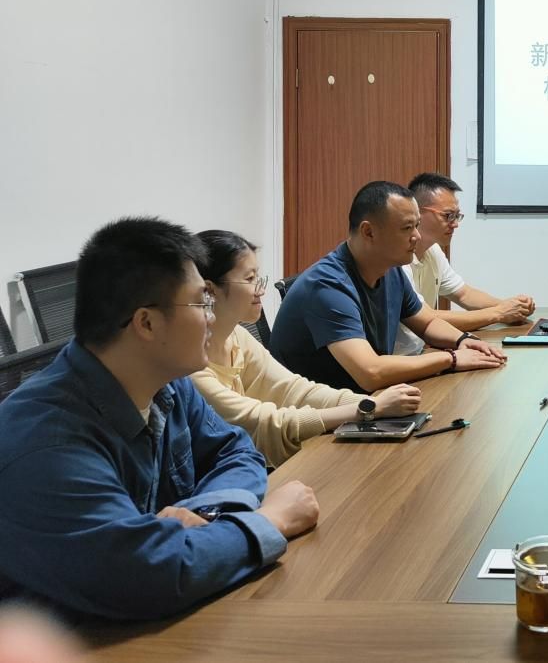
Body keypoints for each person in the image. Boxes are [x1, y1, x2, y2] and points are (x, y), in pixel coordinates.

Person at [0, 217, 319, 620]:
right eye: (201, 302)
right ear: (146, 323)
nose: (211, 316)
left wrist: (206, 512)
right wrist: (270, 521)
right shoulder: (49, 442)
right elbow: (143, 574)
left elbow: (236, 451)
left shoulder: (167, 383)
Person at [191, 230, 422, 466]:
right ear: (210, 291)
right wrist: (369, 408)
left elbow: (295, 390)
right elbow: (263, 422)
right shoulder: (189, 366)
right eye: (250, 279)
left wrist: (372, 403)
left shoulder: (237, 336)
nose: (260, 289)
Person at [270, 181, 507, 392]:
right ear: (368, 232)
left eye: (417, 225)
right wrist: (452, 359)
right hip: (316, 416)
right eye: (407, 228)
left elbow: (427, 323)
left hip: (361, 401)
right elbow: (370, 373)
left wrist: (463, 340)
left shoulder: (391, 270)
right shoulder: (327, 286)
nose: (416, 236)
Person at [391, 173, 536, 356]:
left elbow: (464, 294)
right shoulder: (396, 260)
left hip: (423, 350)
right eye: (448, 216)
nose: (455, 224)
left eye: (457, 216)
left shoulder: (433, 251)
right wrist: (499, 313)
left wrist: (512, 307)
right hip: (401, 357)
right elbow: (427, 318)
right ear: (417, 212)